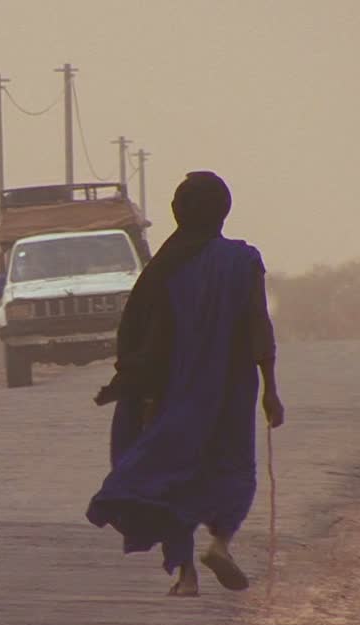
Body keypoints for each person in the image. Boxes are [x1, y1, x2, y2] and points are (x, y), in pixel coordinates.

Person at [86, 170, 284, 597]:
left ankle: (187, 574)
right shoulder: (243, 260)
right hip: (232, 387)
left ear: (179, 211)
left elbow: (143, 335)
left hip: (173, 390)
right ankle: (220, 543)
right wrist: (271, 386)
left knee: (175, 474)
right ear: (223, 211)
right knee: (232, 464)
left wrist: (139, 386)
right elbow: (258, 325)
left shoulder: (165, 268)